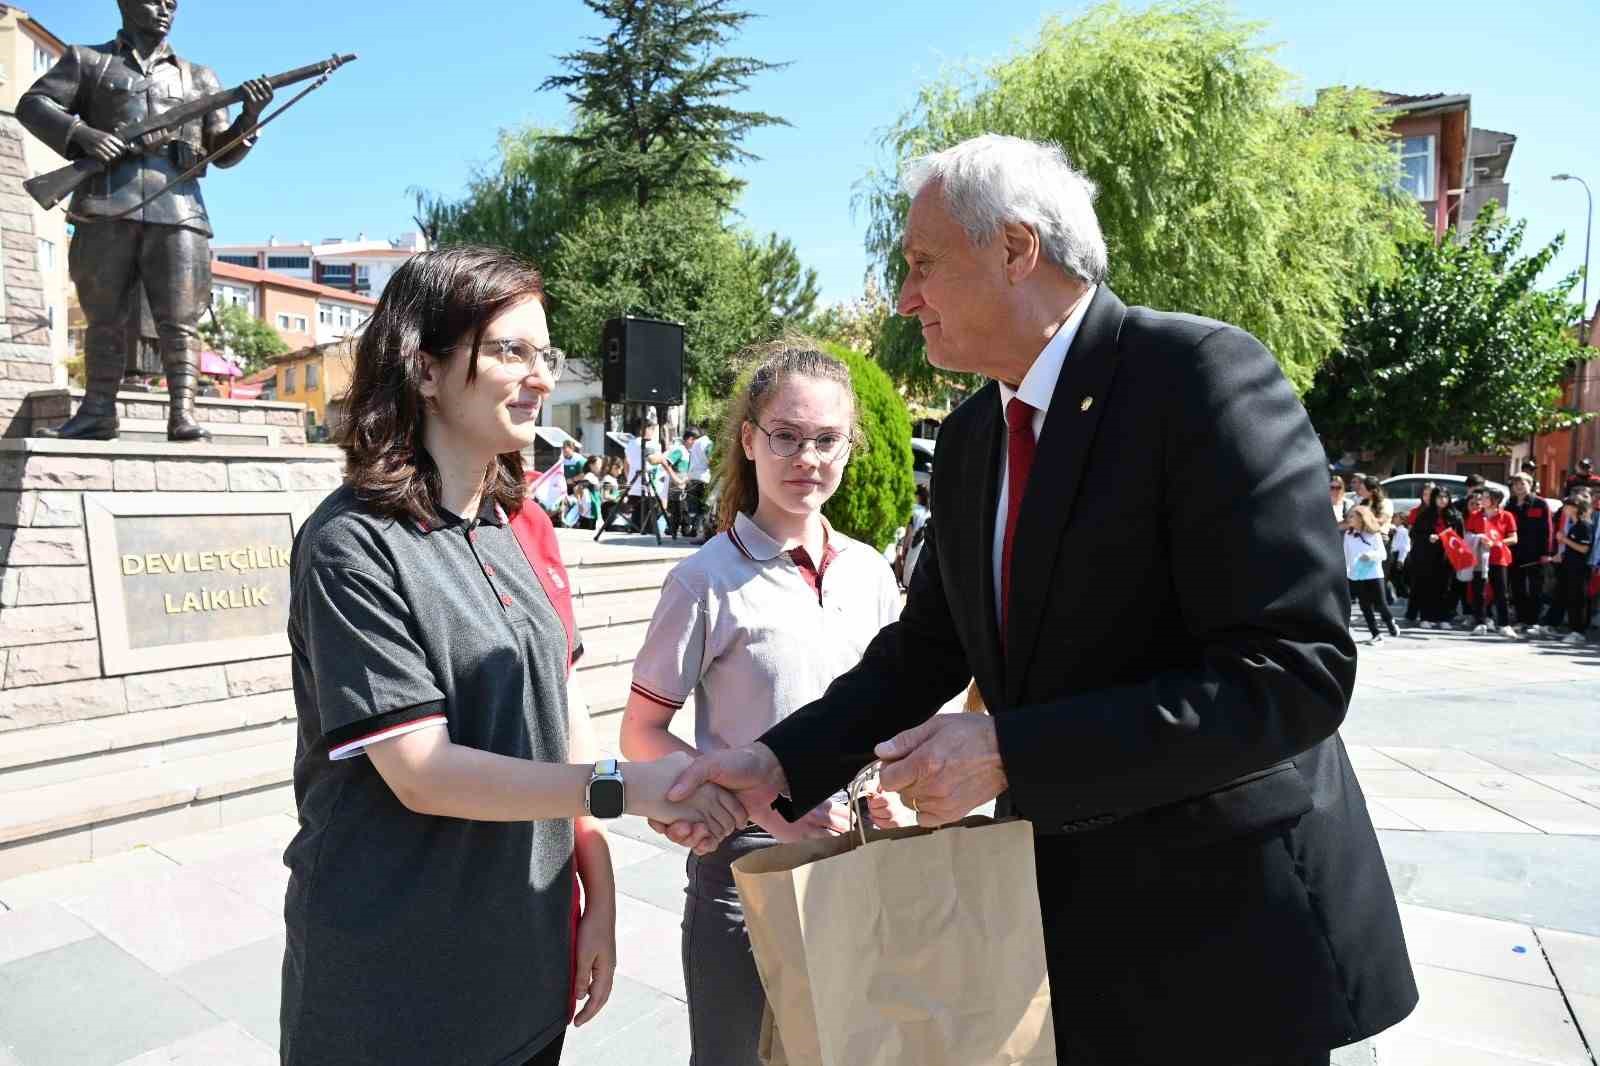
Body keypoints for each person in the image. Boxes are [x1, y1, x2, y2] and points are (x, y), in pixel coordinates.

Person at [653, 134, 1415, 1066]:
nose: (904, 297)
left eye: (923, 263)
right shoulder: (976, 436)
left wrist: (1008, 751)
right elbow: (925, 649)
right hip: (1066, 932)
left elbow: (1291, 676)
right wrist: (775, 762)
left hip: (1230, 939)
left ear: (1017, 250)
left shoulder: (1199, 379)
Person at [280, 247, 742, 1066]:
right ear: (424, 367)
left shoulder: (509, 525)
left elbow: (560, 711)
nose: (538, 376)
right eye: (509, 351)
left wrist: (594, 890)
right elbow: (421, 771)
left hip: (523, 956)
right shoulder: (352, 543)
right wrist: (622, 790)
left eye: (546, 354)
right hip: (395, 977)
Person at [619, 339, 914, 1066]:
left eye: (826, 439)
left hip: (857, 868)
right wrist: (760, 804)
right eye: (785, 436)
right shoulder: (703, 580)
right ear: (750, 440)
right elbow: (641, 733)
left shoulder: (872, 573)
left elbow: (891, 715)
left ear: (850, 447)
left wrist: (898, 794)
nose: (805, 457)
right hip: (743, 874)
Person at [17, 0, 275, 441]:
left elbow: (223, 152)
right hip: (104, 203)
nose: (164, 9)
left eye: (172, 3)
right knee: (104, 317)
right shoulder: (88, 60)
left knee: (181, 319)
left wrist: (249, 118)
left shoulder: (199, 77)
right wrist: (83, 136)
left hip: (179, 210)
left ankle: (183, 414)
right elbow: (33, 104)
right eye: (153, 0)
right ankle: (98, 411)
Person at [1507, 473, 1554, 635]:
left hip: (1535, 553)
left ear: (1530, 485)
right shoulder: (1510, 503)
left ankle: (1533, 621)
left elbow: (1548, 529)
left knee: (1536, 588)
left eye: (1522, 484)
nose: (1519, 487)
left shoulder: (1540, 503)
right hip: (1515, 552)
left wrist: (1546, 553)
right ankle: (1521, 619)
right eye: (1516, 484)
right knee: (1517, 587)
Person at [1467, 488, 1517, 637]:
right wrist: (1478, 538)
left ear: (1495, 500)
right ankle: (1480, 623)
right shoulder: (1476, 515)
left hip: (1498, 557)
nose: (1481, 500)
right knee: (1479, 591)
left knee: (1501, 591)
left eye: (1486, 497)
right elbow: (1468, 534)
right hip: (1480, 557)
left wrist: (1496, 542)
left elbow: (1514, 538)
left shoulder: (1506, 516)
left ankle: (1504, 624)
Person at [1344, 505, 1396, 646]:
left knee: (1380, 604)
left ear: (1362, 518)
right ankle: (1376, 634)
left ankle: (1390, 621)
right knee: (1365, 606)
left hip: (1374, 574)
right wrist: (1347, 572)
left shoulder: (1374, 534)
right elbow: (1346, 555)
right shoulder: (1348, 535)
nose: (1349, 519)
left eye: (1352, 516)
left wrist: (1370, 556)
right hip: (1357, 575)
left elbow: (1383, 555)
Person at [1555, 494, 1593, 645]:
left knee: (1578, 600)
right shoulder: (1574, 525)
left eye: (1567, 506)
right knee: (1571, 598)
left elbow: (1584, 549)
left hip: (1580, 569)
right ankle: (1574, 630)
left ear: (1575, 508)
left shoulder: (1584, 526)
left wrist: (1564, 540)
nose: (1564, 509)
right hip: (1570, 567)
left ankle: (1579, 631)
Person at [896, 483, 933, 588]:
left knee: (909, 576)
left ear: (918, 496)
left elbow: (909, 531)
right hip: (925, 545)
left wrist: (904, 549)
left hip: (914, 544)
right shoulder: (929, 512)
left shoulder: (914, 510)